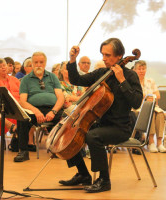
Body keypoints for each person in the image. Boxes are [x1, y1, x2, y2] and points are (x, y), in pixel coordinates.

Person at [59, 38, 143, 193]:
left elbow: (137, 102)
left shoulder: (130, 76)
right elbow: (77, 79)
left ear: (120, 56)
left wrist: (122, 81)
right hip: (103, 124)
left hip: (120, 127)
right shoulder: (102, 73)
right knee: (72, 133)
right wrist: (72, 60)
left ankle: (104, 180)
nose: (104, 58)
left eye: (108, 55)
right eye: (103, 54)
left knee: (93, 136)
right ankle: (83, 174)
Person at [14, 51, 64, 162]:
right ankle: (23, 151)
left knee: (65, 118)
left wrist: (53, 111)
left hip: (52, 109)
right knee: (22, 117)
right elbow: (22, 101)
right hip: (33, 110)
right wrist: (35, 111)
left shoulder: (52, 77)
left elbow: (60, 98)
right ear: (32, 63)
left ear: (45, 63)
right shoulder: (26, 80)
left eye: (41, 62)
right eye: (36, 62)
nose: (38, 65)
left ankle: (58, 149)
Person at [133, 60, 166, 153]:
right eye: (139, 69)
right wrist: (147, 96)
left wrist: (151, 97)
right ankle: (151, 142)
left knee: (160, 113)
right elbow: (134, 97)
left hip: (152, 105)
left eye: (143, 69)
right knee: (150, 112)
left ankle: (159, 143)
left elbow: (158, 95)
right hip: (139, 108)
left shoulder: (150, 81)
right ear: (135, 70)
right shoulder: (133, 82)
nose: (141, 71)